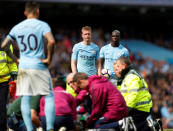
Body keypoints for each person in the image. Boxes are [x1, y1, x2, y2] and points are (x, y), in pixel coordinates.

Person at [1, 2, 55, 131]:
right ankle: (50, 128)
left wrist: (16, 59)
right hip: (38, 64)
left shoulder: (17, 27)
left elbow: (3, 45)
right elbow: (51, 41)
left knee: (25, 98)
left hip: (24, 66)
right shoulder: (42, 25)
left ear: (25, 13)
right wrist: (49, 59)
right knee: (48, 95)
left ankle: (30, 129)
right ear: (37, 11)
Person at [113, 57, 153, 131]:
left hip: (140, 108)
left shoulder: (131, 76)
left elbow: (132, 94)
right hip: (137, 108)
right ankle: (150, 126)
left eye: (117, 68)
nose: (115, 71)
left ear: (124, 66)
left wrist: (126, 109)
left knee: (123, 124)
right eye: (114, 70)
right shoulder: (124, 77)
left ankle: (149, 127)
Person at [0, 33, 18, 131]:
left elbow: (11, 62)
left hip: (3, 82)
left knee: (2, 107)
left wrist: (15, 76)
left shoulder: (6, 44)